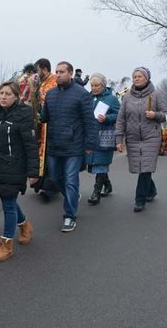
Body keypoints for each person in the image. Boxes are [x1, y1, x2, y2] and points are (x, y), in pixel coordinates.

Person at [0, 81, 39, 262]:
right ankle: (25, 225)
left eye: (8, 93)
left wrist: (33, 172)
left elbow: (30, 146)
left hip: (15, 167)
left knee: (8, 202)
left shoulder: (23, 115)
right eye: (1, 93)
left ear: (16, 96)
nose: (3, 97)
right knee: (7, 198)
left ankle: (6, 244)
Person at [42, 61, 97, 232]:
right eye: (56, 72)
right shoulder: (49, 95)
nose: (57, 74)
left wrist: (90, 144)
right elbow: (44, 119)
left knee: (71, 180)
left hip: (74, 146)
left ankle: (69, 216)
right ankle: (72, 197)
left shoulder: (82, 94)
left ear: (71, 73)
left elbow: (89, 121)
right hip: (53, 146)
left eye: (62, 72)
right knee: (56, 179)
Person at [115, 67, 167, 212]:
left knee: (145, 168)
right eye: (134, 76)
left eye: (139, 76)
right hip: (132, 138)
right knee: (141, 167)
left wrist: (155, 115)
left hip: (151, 136)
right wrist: (118, 140)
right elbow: (121, 120)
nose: (136, 79)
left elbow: (165, 114)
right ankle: (151, 190)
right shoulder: (126, 98)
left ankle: (140, 199)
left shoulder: (157, 94)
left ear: (147, 78)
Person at [84, 73, 120, 205]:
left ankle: (96, 192)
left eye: (96, 85)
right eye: (92, 85)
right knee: (96, 163)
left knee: (102, 162)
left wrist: (107, 118)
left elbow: (119, 114)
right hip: (90, 135)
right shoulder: (87, 98)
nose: (94, 88)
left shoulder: (112, 99)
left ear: (103, 85)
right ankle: (108, 185)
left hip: (105, 134)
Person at [34, 58, 58, 201]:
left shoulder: (53, 82)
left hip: (51, 125)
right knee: (42, 155)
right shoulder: (41, 83)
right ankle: (41, 183)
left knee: (50, 155)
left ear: (44, 69)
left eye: (38, 71)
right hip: (42, 125)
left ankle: (50, 187)